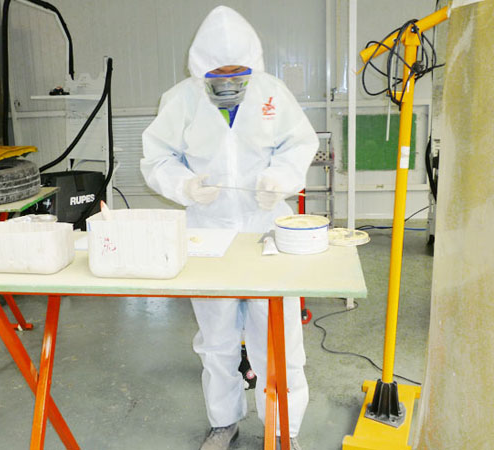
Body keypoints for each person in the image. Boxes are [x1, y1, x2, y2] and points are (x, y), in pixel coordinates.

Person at [141, 6, 318, 450]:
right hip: (207, 233)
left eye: (237, 73)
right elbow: (157, 157)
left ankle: (284, 430)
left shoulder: (272, 93)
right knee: (216, 340)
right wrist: (184, 185)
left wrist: (279, 179)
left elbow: (299, 144)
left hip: (266, 233)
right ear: (200, 68)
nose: (228, 83)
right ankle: (224, 421)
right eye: (217, 74)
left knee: (279, 340)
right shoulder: (181, 100)